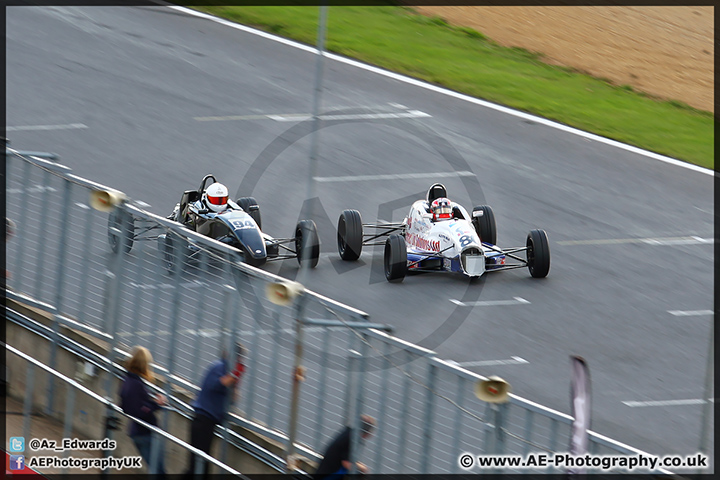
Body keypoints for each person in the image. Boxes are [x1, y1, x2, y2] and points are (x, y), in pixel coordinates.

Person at [184, 343, 246, 478]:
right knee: (199, 463)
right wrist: (234, 376)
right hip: (203, 420)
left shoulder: (226, 372)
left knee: (200, 463)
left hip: (209, 422)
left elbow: (233, 399)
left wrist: (236, 381)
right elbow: (216, 384)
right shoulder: (219, 366)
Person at [118, 346, 167, 476]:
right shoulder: (137, 384)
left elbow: (126, 405)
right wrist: (157, 404)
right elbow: (140, 410)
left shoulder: (127, 380)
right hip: (145, 433)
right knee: (159, 472)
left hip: (137, 431)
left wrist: (151, 403)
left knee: (156, 470)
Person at [312, 415, 376, 480]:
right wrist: (363, 469)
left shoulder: (349, 432)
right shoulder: (353, 440)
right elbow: (346, 463)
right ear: (368, 433)